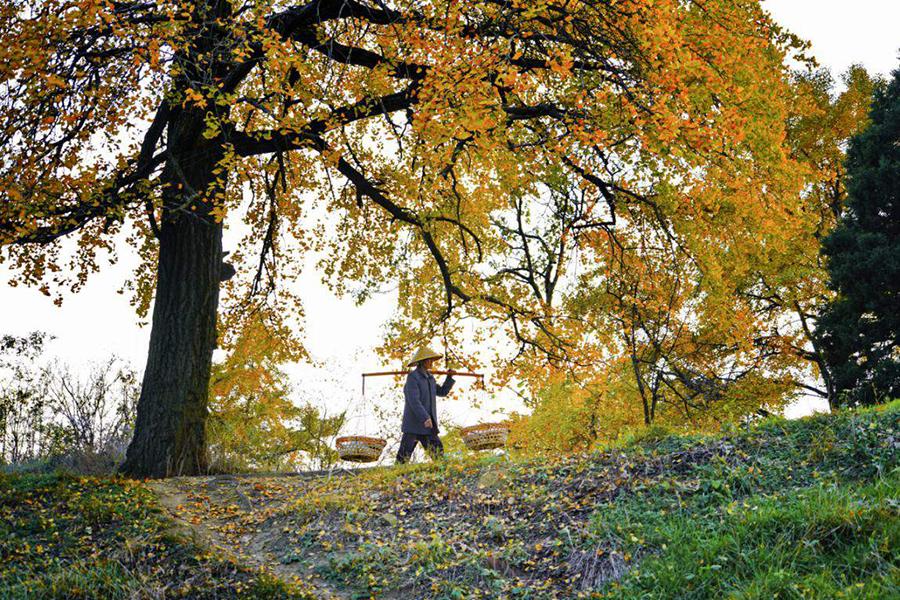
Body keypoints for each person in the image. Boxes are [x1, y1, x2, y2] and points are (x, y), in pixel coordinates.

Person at [396, 345, 455, 464]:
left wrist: (449, 378)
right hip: (414, 424)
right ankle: (396, 475)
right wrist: (425, 417)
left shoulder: (430, 378)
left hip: (428, 426)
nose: (432, 362)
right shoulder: (413, 377)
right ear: (423, 361)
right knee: (403, 458)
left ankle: (443, 472)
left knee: (438, 455)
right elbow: (414, 400)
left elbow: (442, 392)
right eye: (430, 360)